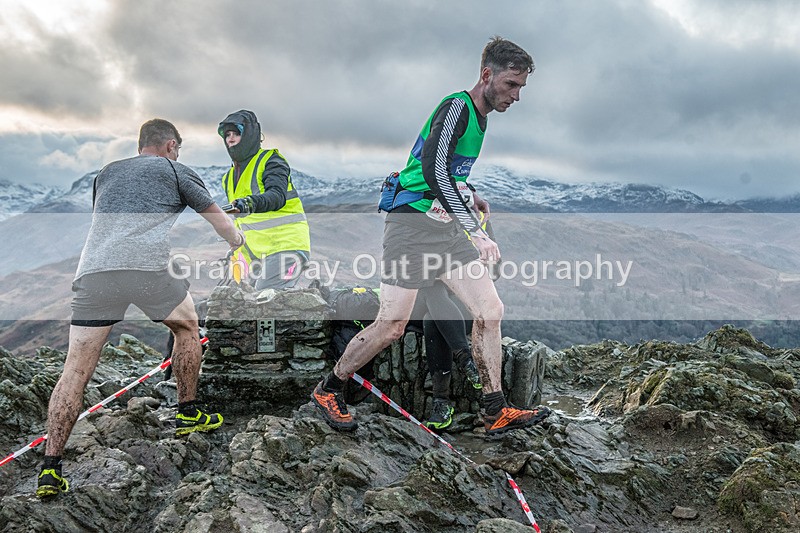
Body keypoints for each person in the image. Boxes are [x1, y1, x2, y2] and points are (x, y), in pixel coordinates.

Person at [311, 37, 550, 436]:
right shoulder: (457, 106)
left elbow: (450, 176)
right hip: (410, 226)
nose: (517, 95)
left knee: (490, 311)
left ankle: (495, 410)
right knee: (391, 325)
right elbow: (434, 169)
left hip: (446, 231)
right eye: (511, 84)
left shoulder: (482, 118)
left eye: (522, 87)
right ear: (487, 75)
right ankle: (329, 388)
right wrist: (477, 232)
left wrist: (472, 196)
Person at [36, 119, 245, 499]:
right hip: (146, 268)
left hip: (95, 272)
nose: (177, 154)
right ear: (169, 145)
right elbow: (218, 219)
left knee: (75, 370)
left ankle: (50, 468)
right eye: (177, 149)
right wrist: (237, 240)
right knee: (187, 328)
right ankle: (188, 412)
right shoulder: (175, 169)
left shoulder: (106, 173)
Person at [217, 110, 311, 289]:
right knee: (245, 303)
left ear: (251, 135)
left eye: (236, 133)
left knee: (265, 296)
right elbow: (242, 221)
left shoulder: (271, 160)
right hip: (256, 257)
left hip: (287, 246)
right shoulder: (227, 178)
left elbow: (277, 196)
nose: (230, 138)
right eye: (227, 135)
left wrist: (248, 203)